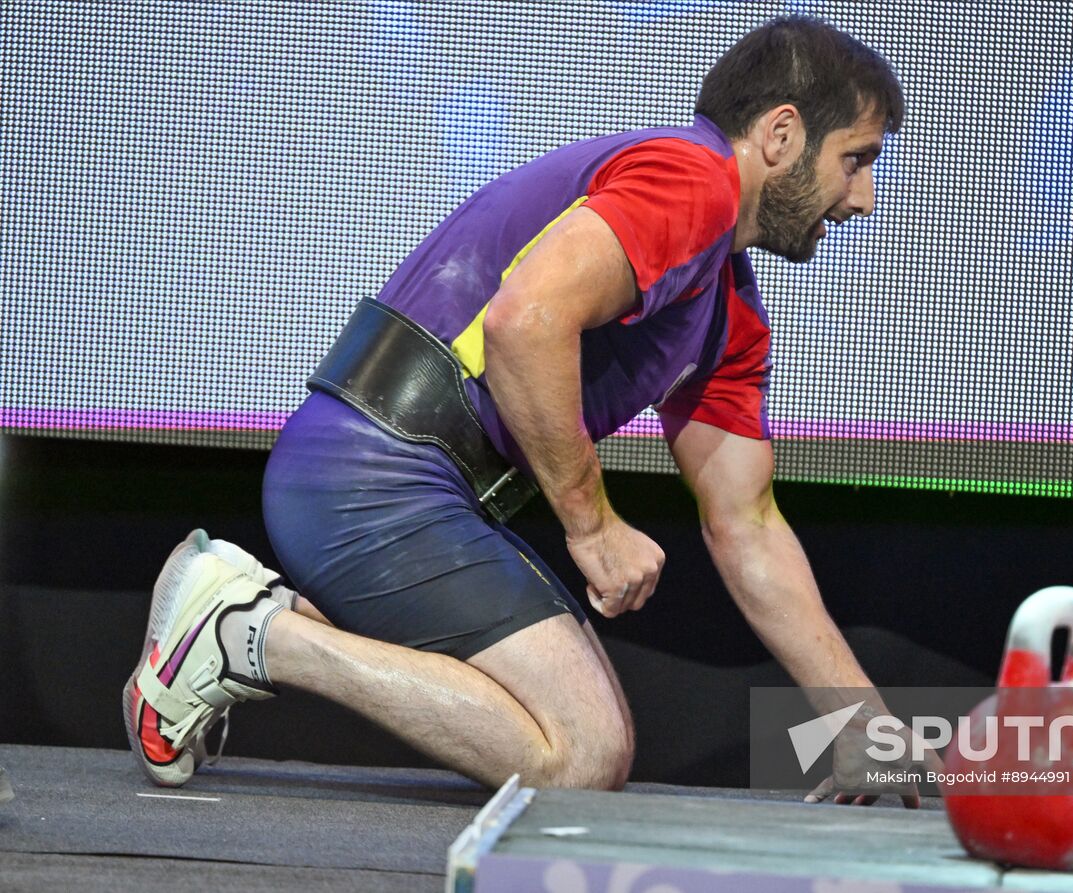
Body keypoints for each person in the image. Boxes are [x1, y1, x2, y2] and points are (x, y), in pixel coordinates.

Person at [124, 16, 917, 803]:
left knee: (588, 739)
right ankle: (246, 635)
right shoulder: (692, 180)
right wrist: (595, 528)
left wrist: (859, 723)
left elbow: (747, 522)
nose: (865, 198)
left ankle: (251, 624)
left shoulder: (728, 314)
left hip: (413, 489)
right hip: (369, 474)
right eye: (856, 160)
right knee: (583, 751)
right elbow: (523, 325)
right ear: (781, 135)